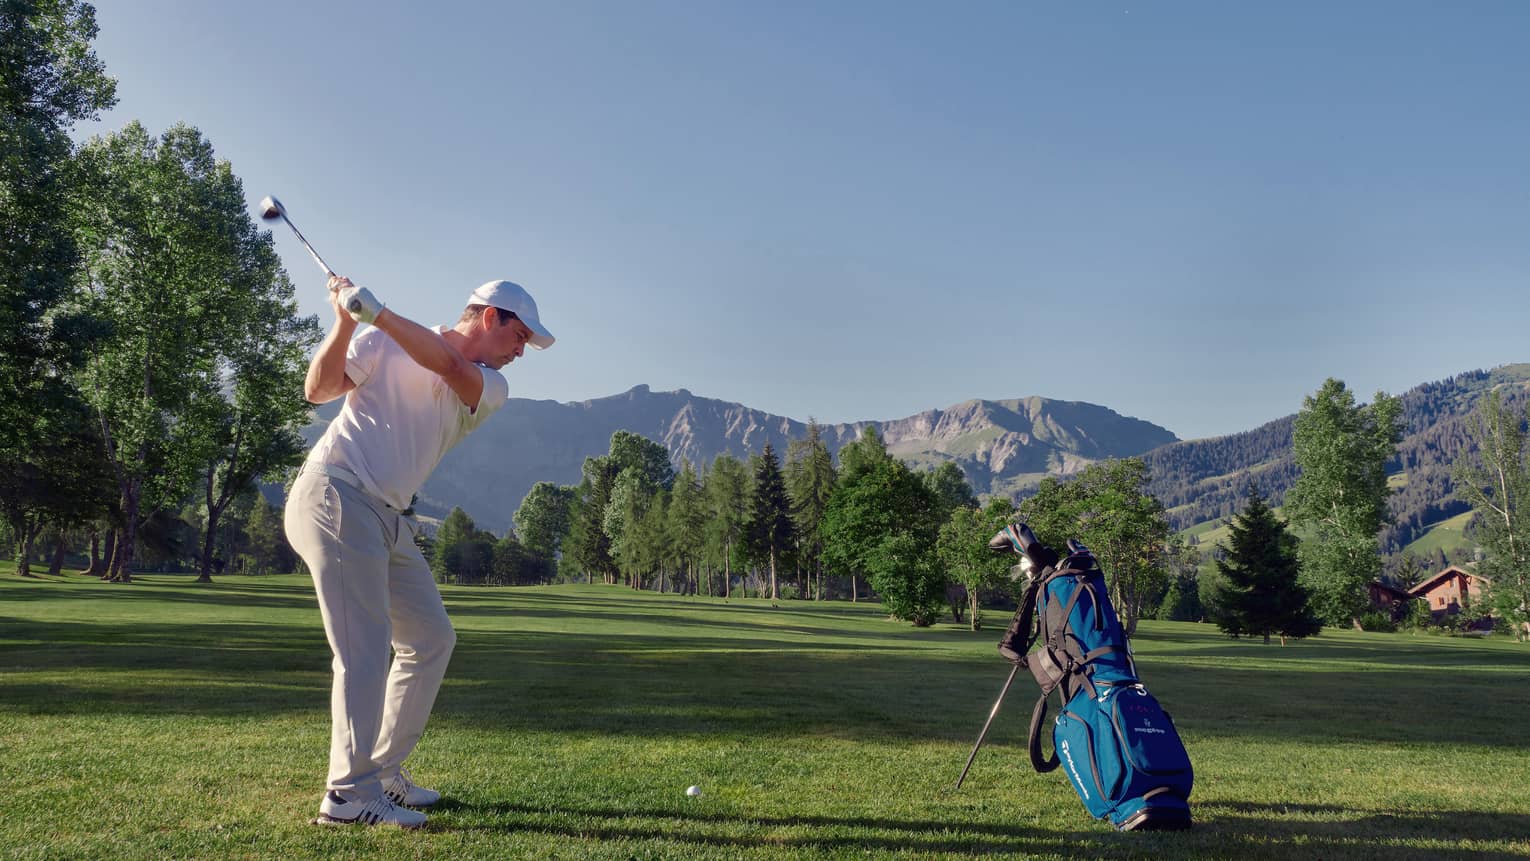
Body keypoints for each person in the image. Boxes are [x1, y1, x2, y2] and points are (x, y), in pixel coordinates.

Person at [284, 274, 554, 828]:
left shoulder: (488, 384)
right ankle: (347, 796)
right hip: (336, 491)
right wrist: (343, 323)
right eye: (520, 335)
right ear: (489, 317)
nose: (522, 351)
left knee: (430, 638)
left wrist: (376, 312)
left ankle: (381, 774)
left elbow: (449, 367)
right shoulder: (381, 338)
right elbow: (317, 390)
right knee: (363, 648)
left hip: (387, 514)